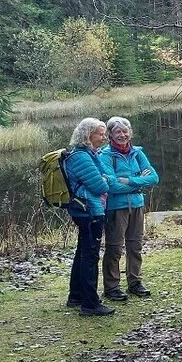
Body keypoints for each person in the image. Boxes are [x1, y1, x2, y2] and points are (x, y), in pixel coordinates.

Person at [98, 117, 160, 301]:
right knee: (115, 248)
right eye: (118, 132)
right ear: (110, 135)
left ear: (130, 133)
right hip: (116, 207)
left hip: (137, 205)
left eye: (125, 131)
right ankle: (112, 287)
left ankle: (135, 282)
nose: (122, 135)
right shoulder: (105, 156)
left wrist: (131, 181)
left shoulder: (138, 153)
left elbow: (154, 178)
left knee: (135, 246)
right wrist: (140, 182)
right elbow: (113, 186)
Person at [63, 118, 117, 316]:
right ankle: (90, 304)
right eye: (100, 134)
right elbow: (101, 186)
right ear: (88, 135)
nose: (104, 137)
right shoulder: (82, 157)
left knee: (83, 252)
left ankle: (76, 296)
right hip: (89, 212)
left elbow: (103, 179)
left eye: (104, 134)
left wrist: (105, 178)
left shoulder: (88, 154)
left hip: (86, 210)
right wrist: (106, 180)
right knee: (90, 256)